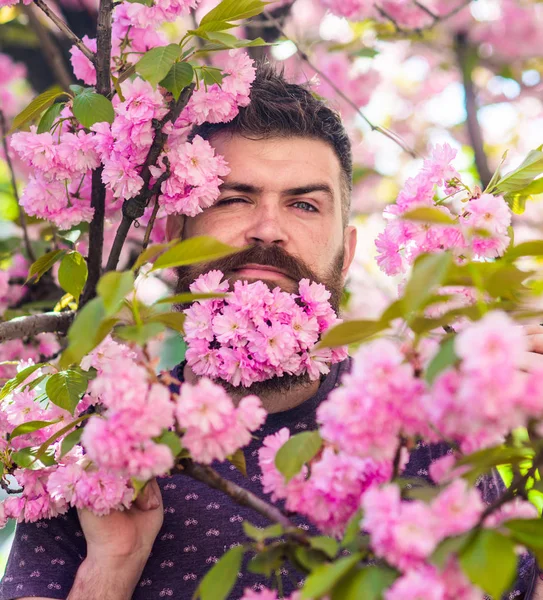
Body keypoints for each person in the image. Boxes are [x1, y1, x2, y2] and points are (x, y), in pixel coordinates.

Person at [0, 63, 540, 600]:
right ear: (172, 233)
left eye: (304, 204)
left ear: (347, 253)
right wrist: (112, 565)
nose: (268, 230)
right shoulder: (99, 456)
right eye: (234, 198)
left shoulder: (435, 437)